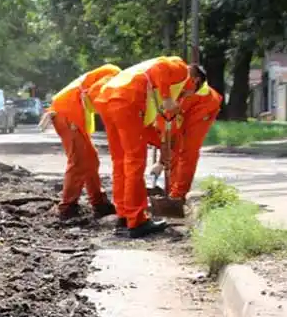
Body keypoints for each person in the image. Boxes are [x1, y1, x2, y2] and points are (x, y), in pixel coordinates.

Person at [92, 56, 198, 238]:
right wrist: (167, 98)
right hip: (127, 100)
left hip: (108, 99)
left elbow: (145, 126)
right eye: (185, 95)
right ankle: (137, 220)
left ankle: (124, 216)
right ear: (194, 82)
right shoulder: (180, 68)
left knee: (120, 161)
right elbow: (161, 67)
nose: (182, 99)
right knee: (134, 161)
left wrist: (162, 146)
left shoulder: (143, 76)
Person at [39, 64, 121, 220]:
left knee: (91, 159)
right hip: (67, 113)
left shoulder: (111, 73)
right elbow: (96, 95)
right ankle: (67, 207)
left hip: (69, 112)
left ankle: (99, 203)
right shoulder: (114, 76)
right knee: (79, 161)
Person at [149, 64, 221, 203]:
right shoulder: (176, 93)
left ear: (196, 81)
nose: (180, 87)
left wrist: (161, 162)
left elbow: (176, 132)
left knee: (187, 150)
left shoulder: (206, 99)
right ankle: (170, 192)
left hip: (202, 111)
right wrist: (161, 162)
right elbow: (168, 132)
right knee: (174, 147)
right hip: (183, 110)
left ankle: (178, 195)